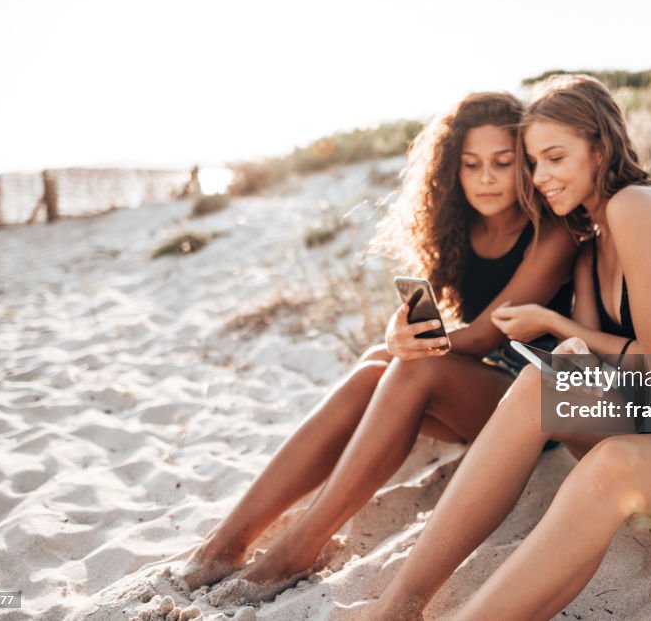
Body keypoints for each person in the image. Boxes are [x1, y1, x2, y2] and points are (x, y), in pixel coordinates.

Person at [371, 75, 651, 620]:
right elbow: (592, 360)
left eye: (556, 157)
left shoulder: (638, 207)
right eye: (534, 162)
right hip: (649, 425)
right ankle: (398, 605)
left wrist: (553, 322)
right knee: (540, 383)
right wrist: (569, 349)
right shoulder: (590, 247)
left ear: (599, 147)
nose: (541, 177)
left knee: (611, 464)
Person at [179, 92, 577, 602]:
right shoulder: (463, 225)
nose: (486, 179)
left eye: (503, 163)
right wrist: (398, 334)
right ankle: (226, 543)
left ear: (525, 162)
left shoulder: (553, 232)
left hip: (540, 405)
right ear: (451, 169)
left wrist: (410, 347)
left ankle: (300, 548)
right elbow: (443, 322)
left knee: (412, 370)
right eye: (471, 165)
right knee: (373, 366)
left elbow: (485, 335)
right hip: (482, 391)